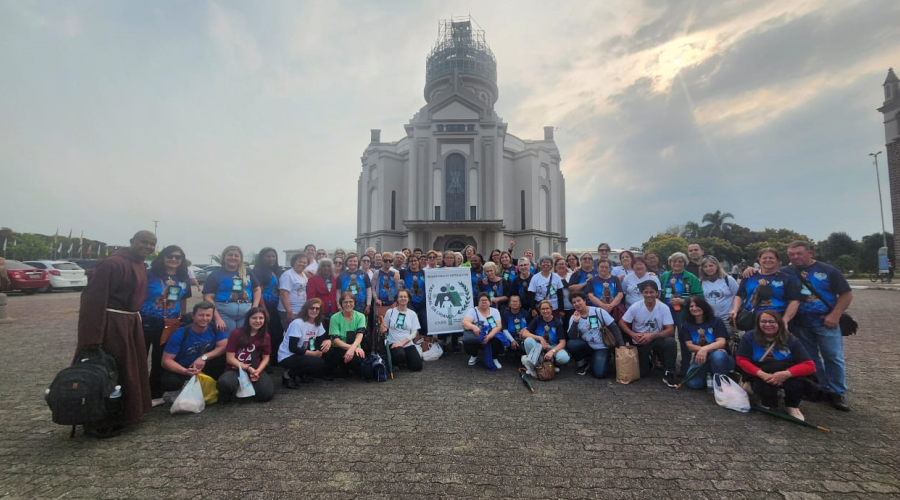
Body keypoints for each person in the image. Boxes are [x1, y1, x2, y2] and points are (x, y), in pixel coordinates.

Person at [76, 230, 156, 437]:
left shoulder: (140, 265)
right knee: (112, 369)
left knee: (131, 368)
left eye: (152, 244)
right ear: (132, 242)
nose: (148, 247)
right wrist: (91, 338)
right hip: (112, 324)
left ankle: (129, 413)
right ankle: (105, 417)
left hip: (130, 321)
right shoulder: (112, 264)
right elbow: (92, 301)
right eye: (144, 242)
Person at [783, 240, 853, 411]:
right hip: (800, 323)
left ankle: (836, 392)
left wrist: (835, 315)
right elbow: (765, 274)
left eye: (799, 253)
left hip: (825, 322)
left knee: (833, 357)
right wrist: (750, 270)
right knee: (810, 358)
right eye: (792, 254)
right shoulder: (786, 271)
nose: (795, 257)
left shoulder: (827, 270)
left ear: (810, 253)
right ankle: (820, 387)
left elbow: (846, 293)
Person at [735, 311, 815, 420]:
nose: (767, 325)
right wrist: (762, 374)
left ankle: (792, 406)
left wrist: (786, 374)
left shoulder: (791, 340)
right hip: (760, 372)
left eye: (772, 321)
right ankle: (764, 399)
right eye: (763, 321)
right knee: (762, 384)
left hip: (784, 371)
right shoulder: (749, 337)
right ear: (758, 323)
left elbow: (809, 365)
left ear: (779, 323)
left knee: (797, 382)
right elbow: (741, 360)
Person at [140, 245, 192, 408]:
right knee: (139, 359)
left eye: (178, 257)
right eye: (170, 256)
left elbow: (183, 299)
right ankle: (135, 394)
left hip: (169, 325)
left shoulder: (183, 277)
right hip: (146, 322)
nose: (174, 260)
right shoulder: (150, 274)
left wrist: (181, 317)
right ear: (163, 257)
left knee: (160, 360)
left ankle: (155, 394)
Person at [618, 280, 678, 387]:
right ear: (642, 293)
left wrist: (652, 335)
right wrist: (633, 334)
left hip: (656, 338)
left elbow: (670, 330)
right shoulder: (636, 306)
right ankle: (650, 360)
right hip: (640, 340)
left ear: (657, 293)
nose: (649, 295)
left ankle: (669, 372)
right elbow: (622, 323)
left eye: (652, 292)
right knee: (643, 373)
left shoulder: (663, 308)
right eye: (646, 292)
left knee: (671, 342)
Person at [161, 301, 228, 392]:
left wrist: (203, 357)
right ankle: (180, 388)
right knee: (170, 381)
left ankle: (215, 386)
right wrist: (185, 371)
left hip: (204, 364)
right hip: (184, 367)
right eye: (201, 315)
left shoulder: (215, 328)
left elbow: (223, 347)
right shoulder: (180, 334)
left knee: (225, 358)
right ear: (193, 316)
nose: (204, 318)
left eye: (208, 315)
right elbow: (166, 361)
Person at [216, 307, 274, 403]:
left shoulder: (266, 336)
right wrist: (247, 368)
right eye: (254, 318)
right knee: (225, 383)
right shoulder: (236, 333)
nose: (258, 321)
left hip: (255, 369)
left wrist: (257, 371)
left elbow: (266, 357)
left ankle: (248, 387)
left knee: (266, 395)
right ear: (248, 319)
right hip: (236, 368)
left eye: (261, 318)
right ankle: (231, 391)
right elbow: (230, 358)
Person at [659, 251, 703, 375]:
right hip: (666, 312)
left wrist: (684, 301)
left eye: (680, 261)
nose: (677, 263)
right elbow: (658, 291)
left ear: (685, 263)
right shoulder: (664, 276)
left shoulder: (691, 277)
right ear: (670, 263)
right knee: (668, 339)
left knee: (684, 339)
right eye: (674, 261)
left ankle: (684, 367)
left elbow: (699, 296)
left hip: (683, 312)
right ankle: (669, 366)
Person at [731, 248, 801, 325]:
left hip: (777, 321)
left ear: (778, 260)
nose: (768, 260)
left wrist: (785, 320)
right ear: (759, 260)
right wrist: (735, 309)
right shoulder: (749, 276)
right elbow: (740, 295)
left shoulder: (786, 278)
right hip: (752, 320)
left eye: (771, 258)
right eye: (764, 258)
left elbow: (794, 301)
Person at [566, 292, 626, 378]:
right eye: (574, 302)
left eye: (578, 301)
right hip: (587, 345)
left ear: (584, 300)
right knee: (572, 344)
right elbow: (572, 336)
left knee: (599, 374)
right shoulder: (574, 317)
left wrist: (621, 344)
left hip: (602, 346)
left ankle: (599, 359)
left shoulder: (598, 311)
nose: (577, 304)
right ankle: (582, 364)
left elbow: (614, 328)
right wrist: (575, 322)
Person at [679, 296, 734, 389]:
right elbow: (690, 346)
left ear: (704, 306)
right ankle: (710, 375)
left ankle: (722, 384)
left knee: (717, 355)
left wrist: (705, 349)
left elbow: (721, 342)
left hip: (721, 357)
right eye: (691, 306)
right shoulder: (686, 324)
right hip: (702, 358)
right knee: (693, 383)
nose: (694, 308)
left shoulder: (716, 321)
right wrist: (705, 350)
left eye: (697, 305)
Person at [203, 246, 261, 333]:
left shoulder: (247, 272)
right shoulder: (215, 274)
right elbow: (208, 297)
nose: (233, 258)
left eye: (236, 255)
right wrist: (217, 318)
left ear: (240, 258)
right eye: (230, 255)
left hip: (246, 313)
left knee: (243, 339)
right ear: (224, 257)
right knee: (227, 341)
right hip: (224, 314)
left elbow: (257, 289)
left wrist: (254, 308)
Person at [278, 298, 331, 389]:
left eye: (317, 309)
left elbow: (322, 340)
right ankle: (288, 375)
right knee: (318, 362)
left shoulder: (318, 323)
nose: (314, 310)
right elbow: (292, 348)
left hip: (303, 352)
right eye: (311, 308)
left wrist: (329, 341)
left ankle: (302, 374)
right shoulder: (298, 323)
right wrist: (313, 354)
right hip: (288, 356)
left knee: (328, 350)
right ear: (306, 309)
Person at [698, 255, 739, 348]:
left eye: (711, 265)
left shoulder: (728, 280)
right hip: (710, 319)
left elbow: (738, 296)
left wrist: (735, 310)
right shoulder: (700, 282)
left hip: (727, 319)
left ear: (717, 266)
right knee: (711, 342)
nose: (708, 268)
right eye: (705, 266)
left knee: (727, 342)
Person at [252, 247, 284, 363]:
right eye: (268, 256)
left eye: (273, 256)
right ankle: (264, 360)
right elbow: (258, 291)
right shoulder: (258, 271)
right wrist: (263, 309)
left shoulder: (275, 271)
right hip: (265, 305)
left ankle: (275, 357)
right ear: (262, 258)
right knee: (265, 333)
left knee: (277, 332)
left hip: (276, 305)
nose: (271, 259)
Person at [520, 300, 570, 373]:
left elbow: (563, 342)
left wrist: (552, 351)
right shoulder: (537, 319)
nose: (545, 311)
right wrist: (540, 338)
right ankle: (534, 366)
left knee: (564, 357)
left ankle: (552, 365)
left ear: (551, 309)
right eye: (543, 309)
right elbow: (524, 333)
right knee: (528, 340)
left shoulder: (557, 322)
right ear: (540, 310)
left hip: (552, 346)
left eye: (547, 308)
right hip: (538, 346)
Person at [380, 290, 424, 372]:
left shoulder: (412, 314)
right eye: (400, 297)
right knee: (400, 354)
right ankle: (396, 362)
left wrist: (402, 343)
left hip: (407, 343)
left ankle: (405, 361)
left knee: (417, 366)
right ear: (397, 299)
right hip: (393, 343)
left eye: (405, 296)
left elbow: (414, 333)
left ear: (408, 299)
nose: (403, 298)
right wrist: (383, 329)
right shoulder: (390, 312)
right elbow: (385, 326)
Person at [462, 292, 507, 369]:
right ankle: (474, 355)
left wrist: (489, 336)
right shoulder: (473, 310)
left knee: (496, 338)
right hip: (478, 334)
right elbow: (465, 323)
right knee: (468, 341)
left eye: (485, 300)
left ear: (489, 302)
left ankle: (494, 357)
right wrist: (474, 327)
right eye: (481, 300)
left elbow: (498, 326)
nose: (483, 302)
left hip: (491, 334)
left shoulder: (495, 311)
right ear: (478, 302)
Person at [326, 292, 367, 375]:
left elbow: (360, 335)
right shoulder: (334, 318)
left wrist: (353, 348)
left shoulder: (361, 316)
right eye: (345, 302)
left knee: (359, 359)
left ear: (354, 303)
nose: (348, 304)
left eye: (350, 301)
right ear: (341, 304)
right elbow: (336, 340)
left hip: (355, 345)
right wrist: (352, 348)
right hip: (339, 347)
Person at [399, 254, 428, 336]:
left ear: (418, 262)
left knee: (424, 323)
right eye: (411, 261)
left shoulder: (424, 273)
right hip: (410, 302)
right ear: (408, 263)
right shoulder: (403, 272)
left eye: (415, 260)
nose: (413, 262)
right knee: (411, 324)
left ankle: (424, 344)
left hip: (423, 302)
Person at [307, 258, 338, 332]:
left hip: (333, 310)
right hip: (319, 310)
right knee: (320, 333)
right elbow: (311, 297)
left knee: (332, 332)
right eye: (323, 266)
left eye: (328, 266)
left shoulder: (335, 279)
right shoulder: (313, 279)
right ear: (320, 267)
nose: (326, 268)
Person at [278, 254, 309, 327]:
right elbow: (283, 294)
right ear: (294, 262)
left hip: (300, 310)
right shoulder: (288, 275)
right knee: (292, 334)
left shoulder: (303, 274)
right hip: (289, 311)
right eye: (300, 261)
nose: (302, 264)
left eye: (304, 262)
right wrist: (289, 311)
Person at [554, 258, 574, 325]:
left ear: (566, 265)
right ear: (555, 267)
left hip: (573, 307)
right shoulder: (553, 277)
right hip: (560, 308)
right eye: (559, 264)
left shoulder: (571, 275)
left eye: (563, 264)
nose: (561, 266)